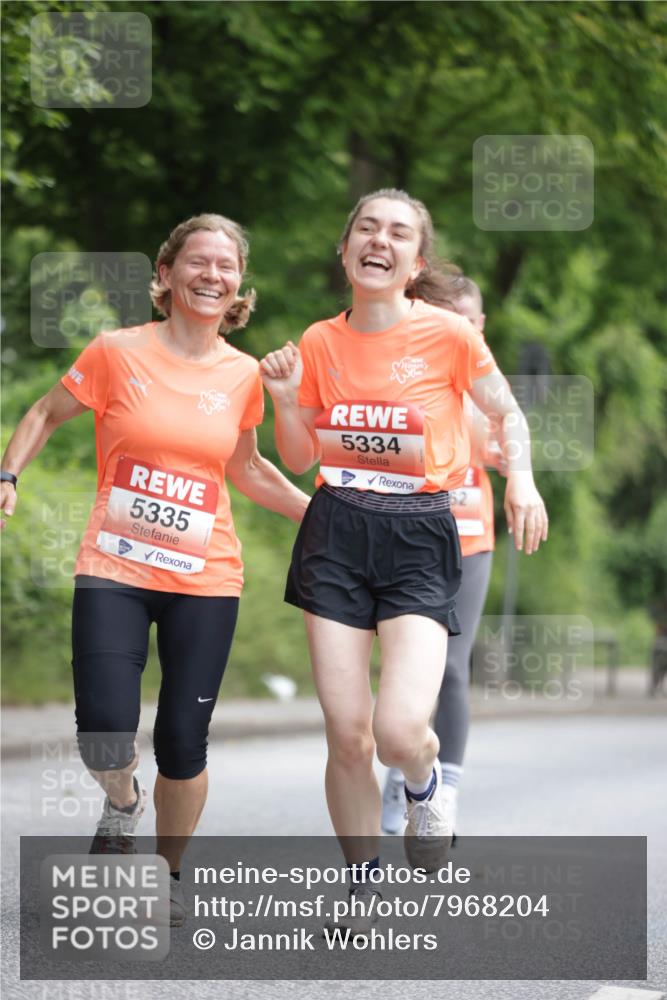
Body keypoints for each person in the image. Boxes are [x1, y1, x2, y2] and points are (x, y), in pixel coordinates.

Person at [0, 214, 310, 926]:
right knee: (103, 731)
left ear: (239, 286)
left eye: (225, 265)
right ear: (165, 276)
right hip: (115, 564)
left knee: (181, 741)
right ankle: (121, 801)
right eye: (196, 262)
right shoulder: (116, 352)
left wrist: (323, 515)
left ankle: (167, 874)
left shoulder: (241, 374)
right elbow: (46, 414)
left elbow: (249, 468)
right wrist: (7, 474)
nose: (211, 275)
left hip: (205, 579)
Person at [260, 189, 548, 923]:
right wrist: (289, 400)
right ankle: (361, 885)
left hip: (420, 533)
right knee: (348, 734)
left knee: (395, 732)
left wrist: (521, 479)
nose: (378, 240)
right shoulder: (321, 340)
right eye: (365, 227)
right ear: (346, 246)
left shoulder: (449, 335)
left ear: (415, 262)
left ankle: (425, 787)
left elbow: (504, 411)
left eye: (397, 233)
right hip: (336, 531)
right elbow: (299, 458)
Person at [381, 276, 504, 838]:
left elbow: (505, 442)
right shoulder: (406, 367)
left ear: (479, 326)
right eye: (449, 315)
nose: (461, 326)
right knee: (404, 670)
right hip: (405, 537)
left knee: (453, 665)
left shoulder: (482, 379)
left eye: (471, 318)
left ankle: (444, 789)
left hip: (468, 536)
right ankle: (404, 768)